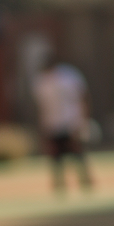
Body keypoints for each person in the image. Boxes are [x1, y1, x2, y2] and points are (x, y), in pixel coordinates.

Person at [32, 55, 93, 193]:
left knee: (76, 151)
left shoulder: (69, 76)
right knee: (56, 155)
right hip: (53, 123)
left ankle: (85, 179)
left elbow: (83, 96)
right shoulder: (41, 82)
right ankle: (59, 183)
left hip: (70, 120)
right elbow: (41, 106)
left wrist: (83, 119)